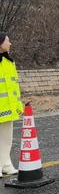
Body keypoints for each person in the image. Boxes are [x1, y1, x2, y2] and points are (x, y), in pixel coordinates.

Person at [0, 32, 23, 178]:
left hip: (8, 108)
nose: (10, 43)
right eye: (7, 41)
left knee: (6, 139)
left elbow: (14, 88)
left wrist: (18, 106)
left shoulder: (10, 62)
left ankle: (6, 165)